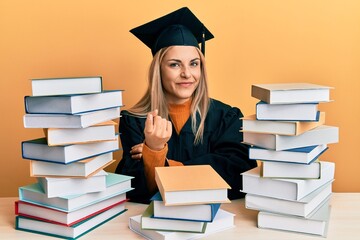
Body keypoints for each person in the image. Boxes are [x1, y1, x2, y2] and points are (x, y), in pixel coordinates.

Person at [115, 7, 257, 204]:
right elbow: (133, 189)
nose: (187, 74)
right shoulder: (135, 120)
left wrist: (167, 164)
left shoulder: (226, 117)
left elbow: (239, 171)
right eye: (175, 64)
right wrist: (155, 149)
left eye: (194, 63)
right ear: (159, 70)